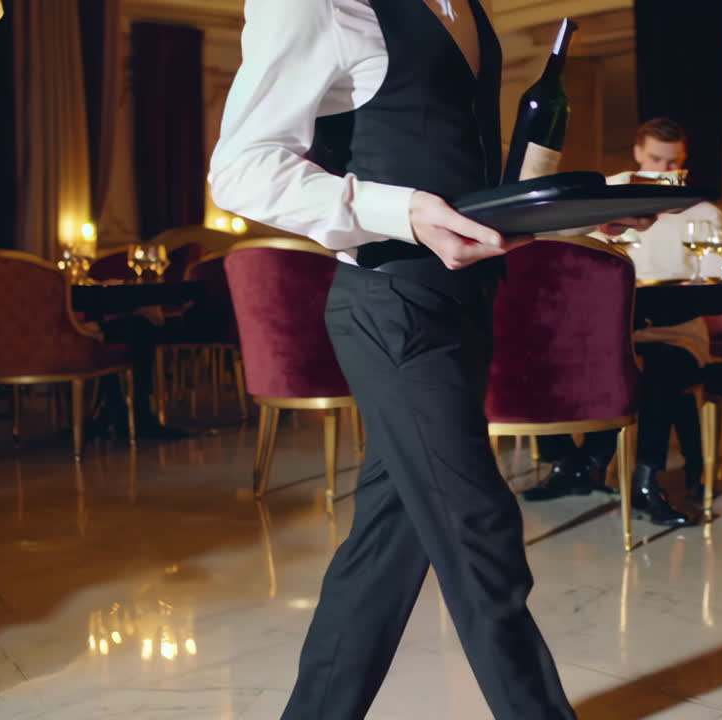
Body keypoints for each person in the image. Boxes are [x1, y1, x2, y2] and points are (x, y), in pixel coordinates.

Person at [209, 1, 650, 718]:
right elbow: (240, 171)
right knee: (481, 533)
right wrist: (402, 212)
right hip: (391, 310)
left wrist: (580, 209)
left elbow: (463, 188)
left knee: (384, 551)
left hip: (462, 310)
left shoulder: (467, 9)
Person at [527, 118, 722, 522]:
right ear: (638, 155)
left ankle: (641, 479)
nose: (665, 172)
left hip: (678, 333)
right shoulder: (613, 213)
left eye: (674, 164)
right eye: (656, 160)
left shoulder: (705, 216)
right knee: (537, 356)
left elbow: (711, 287)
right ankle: (568, 461)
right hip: (617, 337)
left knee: (656, 365)